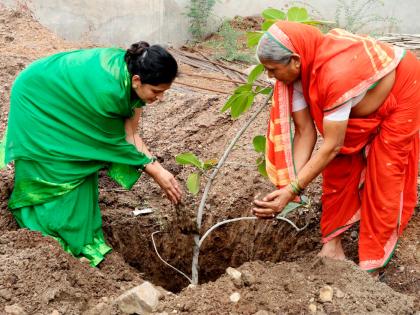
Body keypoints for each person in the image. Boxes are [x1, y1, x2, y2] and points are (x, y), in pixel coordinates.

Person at [252, 21, 419, 273]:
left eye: (272, 69)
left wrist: (293, 189)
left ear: (295, 60)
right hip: (360, 105)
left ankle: (373, 261)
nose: (270, 77)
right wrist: (289, 188)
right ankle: (332, 245)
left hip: (405, 90)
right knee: (338, 167)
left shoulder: (334, 75)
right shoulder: (298, 77)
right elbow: (305, 133)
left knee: (385, 173)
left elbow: (331, 145)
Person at [0, 41, 182, 266]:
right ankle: (45, 235)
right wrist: (156, 172)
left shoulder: (133, 77)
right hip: (37, 95)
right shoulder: (109, 92)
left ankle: (79, 237)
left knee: (81, 166)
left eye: (164, 92)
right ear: (137, 80)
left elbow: (130, 135)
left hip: (64, 95)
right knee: (58, 165)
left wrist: (158, 168)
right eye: (157, 91)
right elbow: (113, 143)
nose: (160, 98)